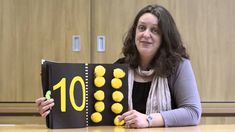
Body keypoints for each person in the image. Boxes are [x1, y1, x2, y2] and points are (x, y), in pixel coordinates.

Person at [36, 4, 201, 128]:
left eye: (155, 30)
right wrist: (53, 109)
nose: (146, 34)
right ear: (134, 32)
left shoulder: (179, 66)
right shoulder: (118, 69)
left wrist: (148, 119)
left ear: (165, 37)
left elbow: (193, 112)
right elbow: (86, 111)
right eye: (141, 28)